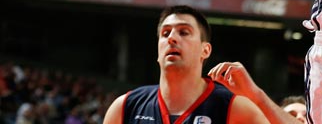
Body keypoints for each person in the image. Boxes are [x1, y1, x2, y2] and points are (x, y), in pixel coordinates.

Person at [101, 6, 275, 124]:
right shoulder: (125, 107)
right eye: (165, 33)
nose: (171, 38)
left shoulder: (235, 108)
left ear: (205, 50)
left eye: (184, 32)